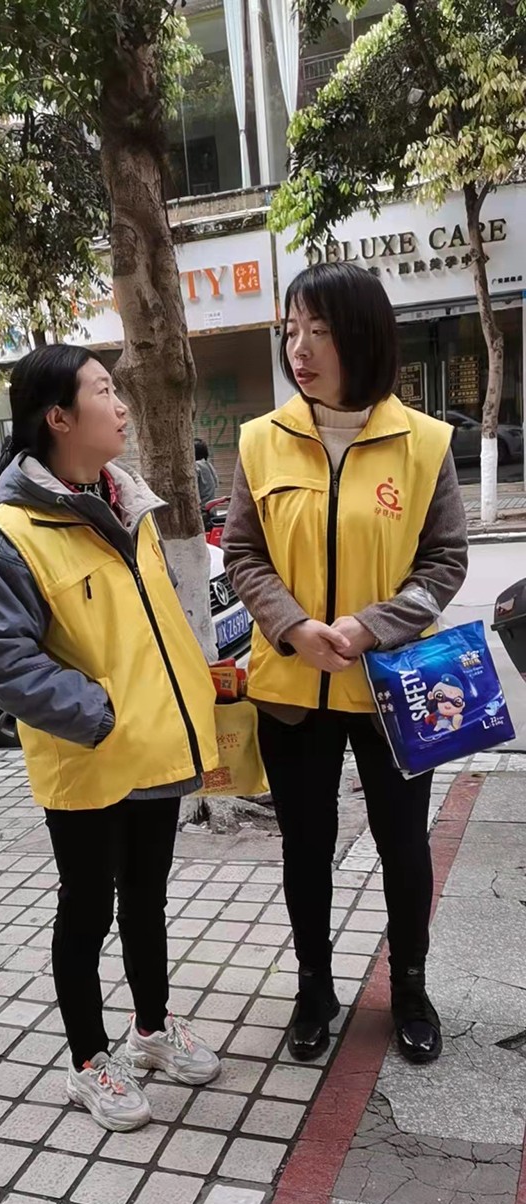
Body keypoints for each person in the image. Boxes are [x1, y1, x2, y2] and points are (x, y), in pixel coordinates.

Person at [0, 344, 221, 1131]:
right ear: (59, 417)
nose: (121, 406)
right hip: (88, 757)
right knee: (87, 909)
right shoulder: (12, 533)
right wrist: (102, 713)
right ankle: (87, 1060)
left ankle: (151, 1027)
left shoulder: (126, 503)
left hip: (152, 746)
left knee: (147, 897)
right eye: (104, 391)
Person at [222, 262, 468, 1067]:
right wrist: (292, 627)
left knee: (403, 844)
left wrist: (369, 626)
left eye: (320, 331)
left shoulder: (425, 443)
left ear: (362, 337)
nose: (300, 348)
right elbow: (243, 552)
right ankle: (314, 986)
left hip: (393, 682)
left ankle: (411, 987)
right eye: (292, 330)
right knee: (305, 845)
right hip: (293, 686)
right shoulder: (260, 441)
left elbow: (444, 561)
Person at [195, 437, 219, 509]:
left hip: (201, 510)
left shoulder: (195, 467)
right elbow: (216, 484)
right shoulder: (209, 465)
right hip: (211, 509)